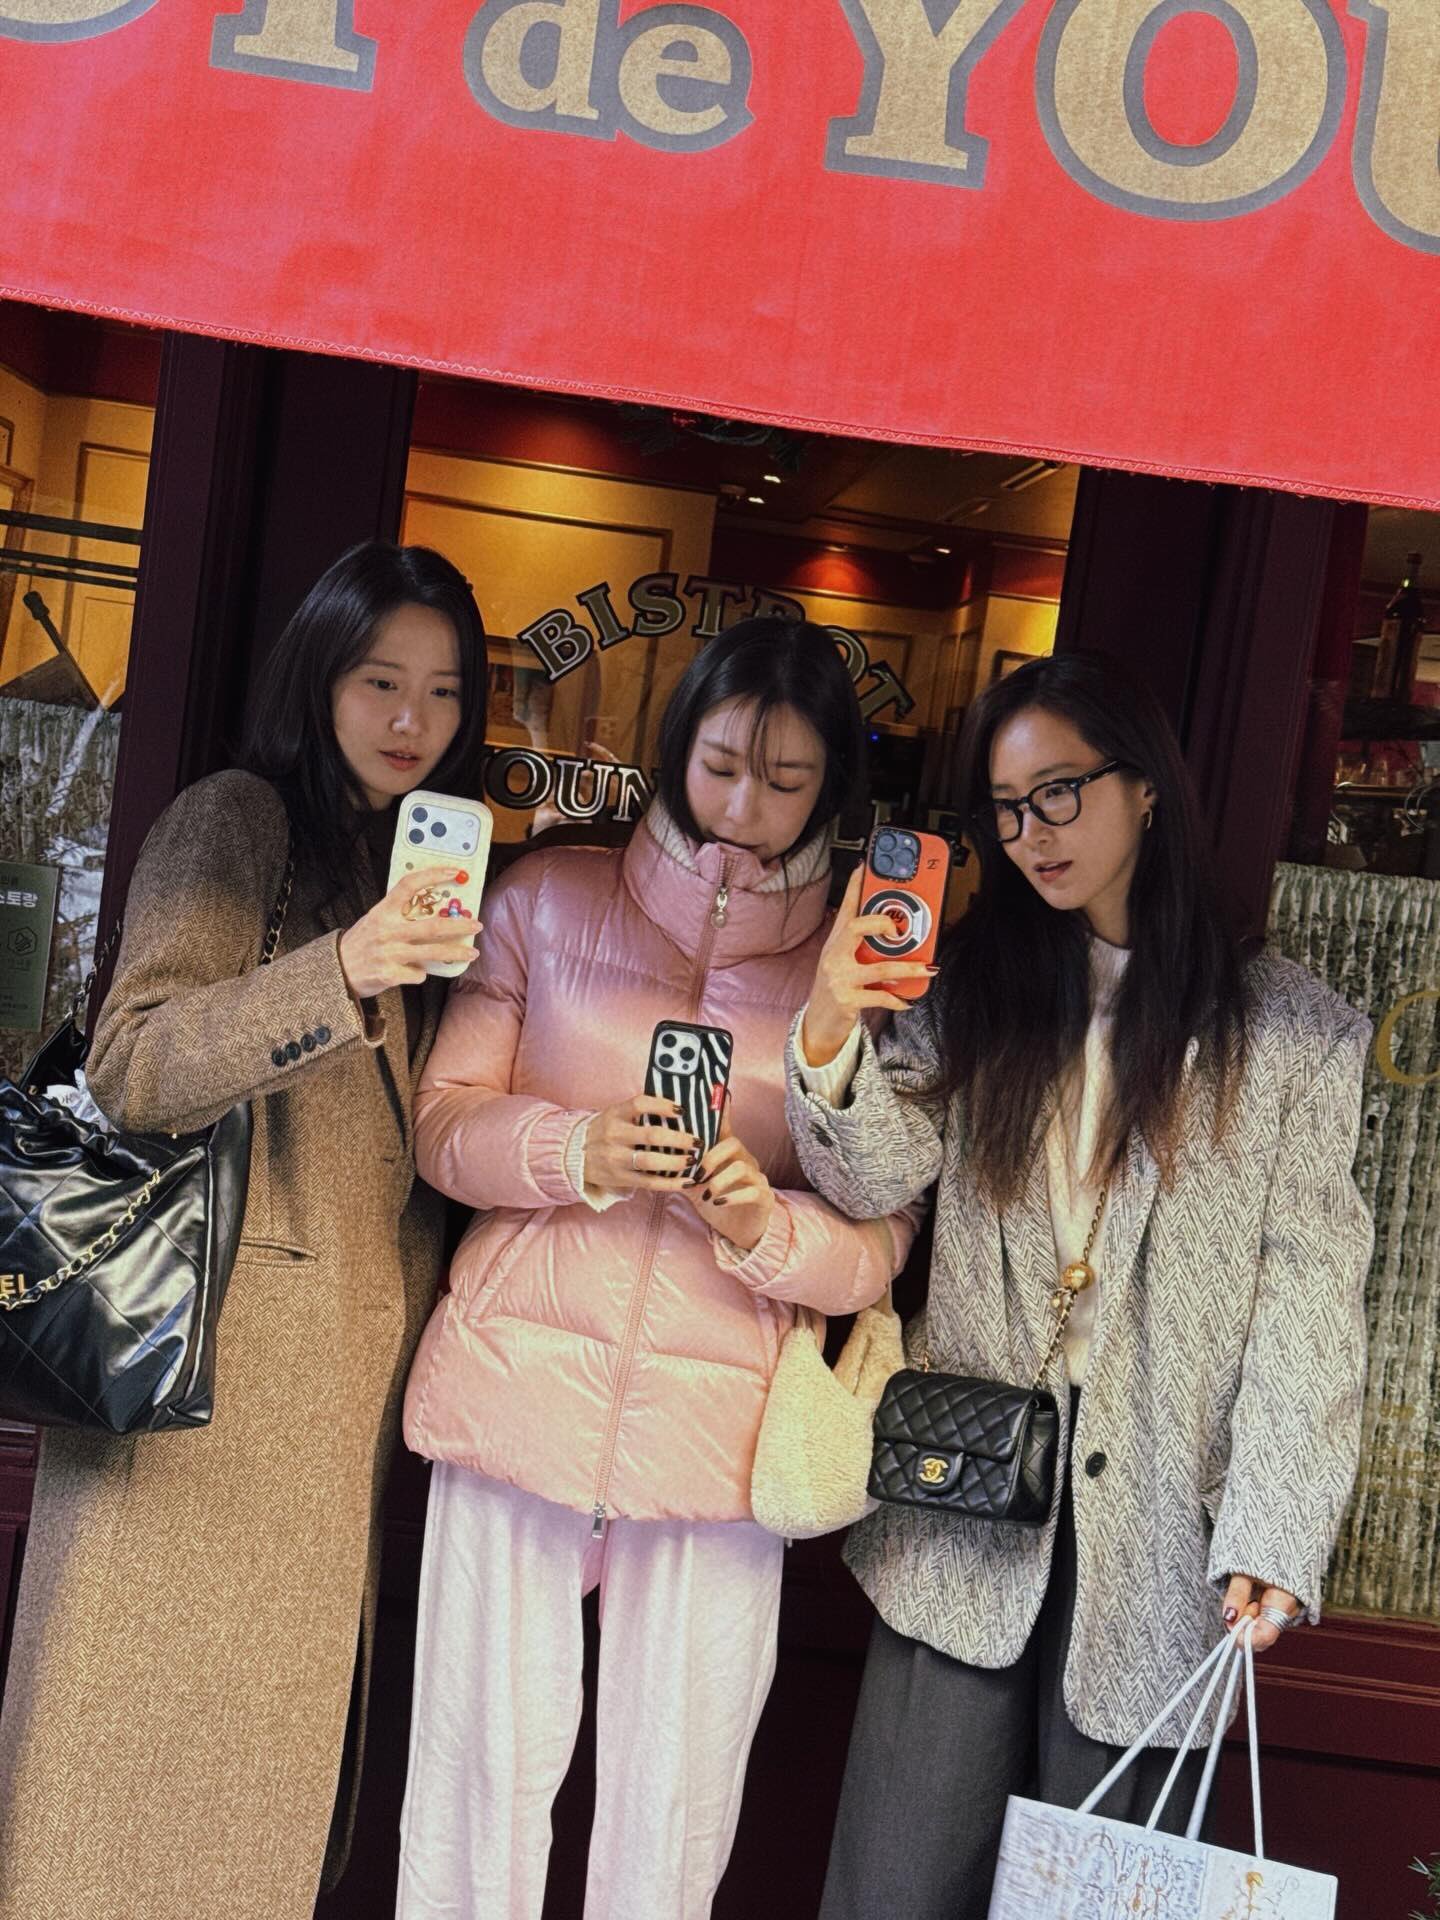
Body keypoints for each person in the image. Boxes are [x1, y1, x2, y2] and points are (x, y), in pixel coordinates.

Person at [786, 650, 1373, 1920]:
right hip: (964, 1510)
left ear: (1145, 786)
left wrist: (1275, 1529)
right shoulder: (974, 987)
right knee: (895, 1883)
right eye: (1008, 808)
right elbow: (871, 1175)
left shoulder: (1292, 1033)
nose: (1032, 832)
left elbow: (1310, 1299)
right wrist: (831, 1024)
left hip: (1161, 1537)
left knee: (1098, 1901)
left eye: (1061, 792)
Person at [396, 617, 917, 1920]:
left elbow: (886, 1238)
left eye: (786, 781)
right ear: (677, 747)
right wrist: (575, 1148)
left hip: (720, 1434)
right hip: (518, 1388)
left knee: (671, 1815)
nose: (743, 808)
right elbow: (441, 1123)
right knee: (474, 1782)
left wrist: (762, 1227)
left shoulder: (859, 970)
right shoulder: (546, 899)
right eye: (722, 766)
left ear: (833, 792)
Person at [0, 541, 488, 1920]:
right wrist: (340, 970)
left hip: (321, 1418)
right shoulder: (237, 821)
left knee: (241, 1819)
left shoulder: (407, 863)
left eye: (445, 691)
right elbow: (131, 1064)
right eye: (380, 680)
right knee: (115, 1813)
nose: (412, 718)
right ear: (317, 675)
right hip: (196, 1392)